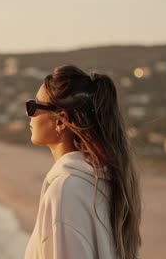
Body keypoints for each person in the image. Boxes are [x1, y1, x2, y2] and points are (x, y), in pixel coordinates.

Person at [24, 65, 141, 259]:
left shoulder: (66, 193)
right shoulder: (103, 183)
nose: (30, 114)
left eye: (34, 107)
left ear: (61, 121)